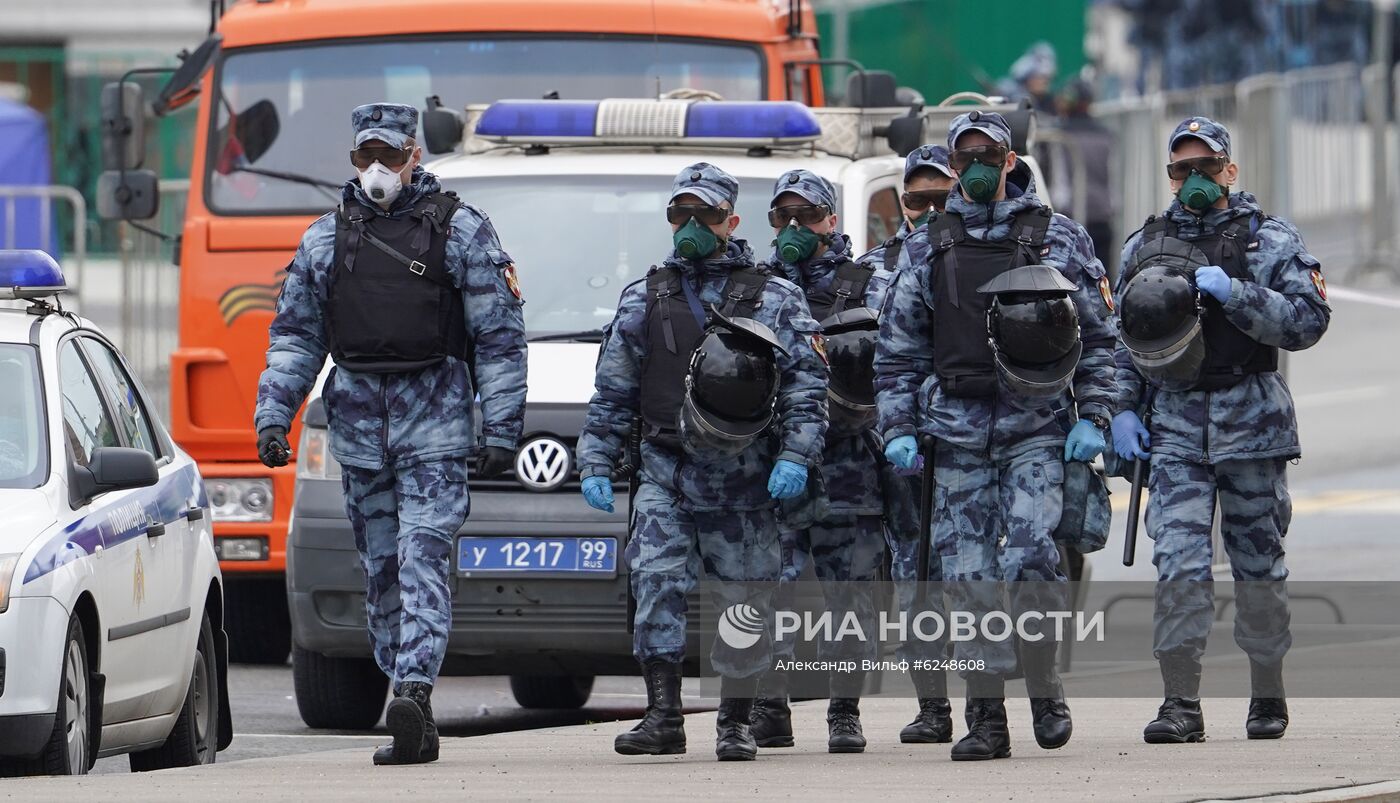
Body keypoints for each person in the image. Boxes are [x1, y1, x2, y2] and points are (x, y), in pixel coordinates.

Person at [254, 103, 527, 766]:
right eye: (365, 155)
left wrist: (501, 426)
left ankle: (412, 692)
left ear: (414, 155)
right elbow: (296, 336)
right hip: (357, 433)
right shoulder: (325, 239)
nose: (377, 167)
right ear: (353, 159)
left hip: (436, 427)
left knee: (422, 556)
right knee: (381, 573)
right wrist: (273, 413)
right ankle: (409, 696)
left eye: (390, 154)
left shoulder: (460, 230)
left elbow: (499, 336)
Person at [875, 110, 1118, 761]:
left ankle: (1043, 682)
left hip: (1035, 428)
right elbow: (898, 352)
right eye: (966, 156)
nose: (977, 166)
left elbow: (1100, 338)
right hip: (954, 434)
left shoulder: (1057, 237)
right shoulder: (928, 246)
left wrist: (1094, 414)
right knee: (968, 578)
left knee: (1031, 555)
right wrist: (897, 427)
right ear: (952, 164)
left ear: (1011, 160)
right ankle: (986, 717)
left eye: (990, 154)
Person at [576, 162, 828, 762]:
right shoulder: (646, 296)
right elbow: (613, 390)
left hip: (744, 475)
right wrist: (595, 458)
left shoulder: (774, 296)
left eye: (706, 214)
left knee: (745, 600)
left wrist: (796, 455)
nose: (691, 224)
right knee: (655, 583)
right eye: (680, 212)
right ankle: (663, 716)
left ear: (731, 222)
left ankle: (735, 722)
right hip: (666, 470)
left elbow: (807, 386)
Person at [1111, 116, 1330, 744]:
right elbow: (1125, 339)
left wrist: (1237, 294)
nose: (1194, 178)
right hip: (1176, 423)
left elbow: (1309, 321)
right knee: (1178, 564)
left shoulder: (1269, 240)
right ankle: (1180, 702)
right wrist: (1122, 409)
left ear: (1229, 170)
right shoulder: (1144, 246)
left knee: (1258, 563)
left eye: (1206, 166)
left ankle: (1267, 690)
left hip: (1251, 421)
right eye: (1181, 168)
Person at [747, 169, 899, 754]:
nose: (794, 227)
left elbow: (899, 361)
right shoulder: (753, 288)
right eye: (782, 216)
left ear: (830, 220)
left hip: (847, 463)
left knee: (851, 594)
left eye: (807, 216)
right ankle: (769, 706)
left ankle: (844, 711)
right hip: (774, 464)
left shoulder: (871, 286)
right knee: (768, 589)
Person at [860, 145, 957, 274]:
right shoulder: (873, 267)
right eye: (918, 200)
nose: (931, 211)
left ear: (958, 198)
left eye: (942, 199)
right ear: (904, 204)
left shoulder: (976, 253)